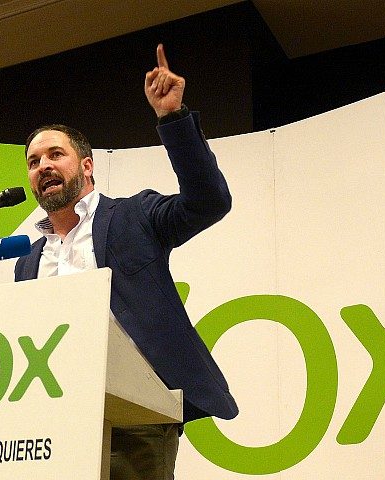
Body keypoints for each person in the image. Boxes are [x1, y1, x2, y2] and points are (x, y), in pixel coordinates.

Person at [15, 44, 238, 479]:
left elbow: (210, 201)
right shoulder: (27, 260)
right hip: (54, 421)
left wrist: (172, 119)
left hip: (134, 411)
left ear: (87, 166)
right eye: (33, 161)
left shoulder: (135, 216)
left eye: (55, 155)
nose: (43, 166)